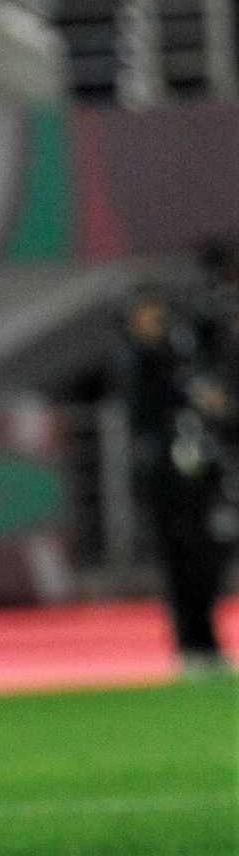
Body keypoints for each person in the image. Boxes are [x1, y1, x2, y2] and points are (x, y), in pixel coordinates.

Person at [116, 284, 234, 673]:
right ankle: (191, 643)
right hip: (165, 481)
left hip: (199, 476)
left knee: (208, 561)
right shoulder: (136, 362)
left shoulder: (181, 355)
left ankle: (206, 641)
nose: (157, 322)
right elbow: (148, 413)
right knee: (180, 563)